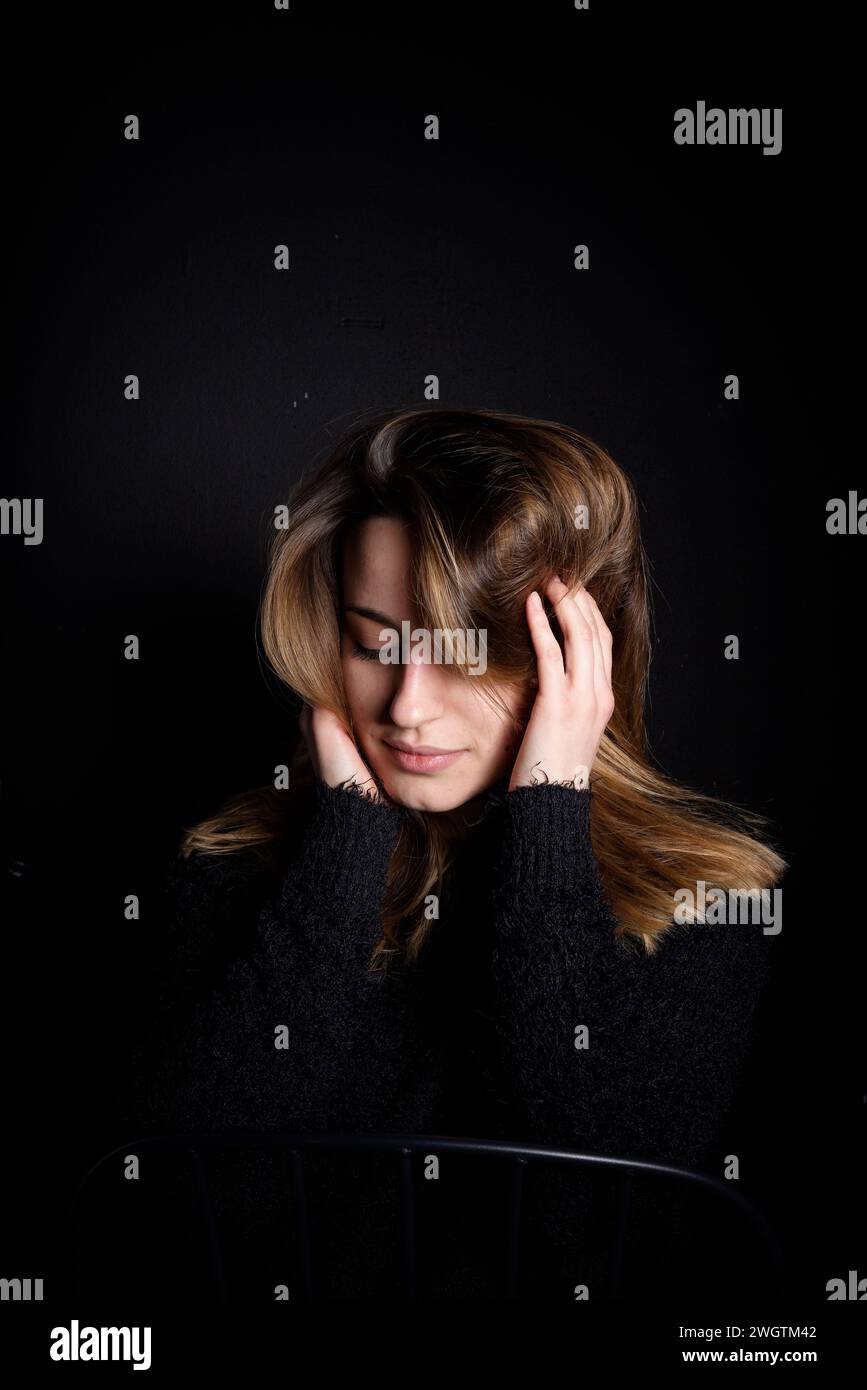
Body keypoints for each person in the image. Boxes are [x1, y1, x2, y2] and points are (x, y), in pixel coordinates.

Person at [123, 406, 786, 1302]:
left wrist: (550, 803)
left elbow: (599, 1232)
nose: (406, 707)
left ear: (574, 657)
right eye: (373, 644)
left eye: (466, 654)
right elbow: (176, 1207)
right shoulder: (231, 866)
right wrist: (345, 843)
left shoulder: (705, 898)